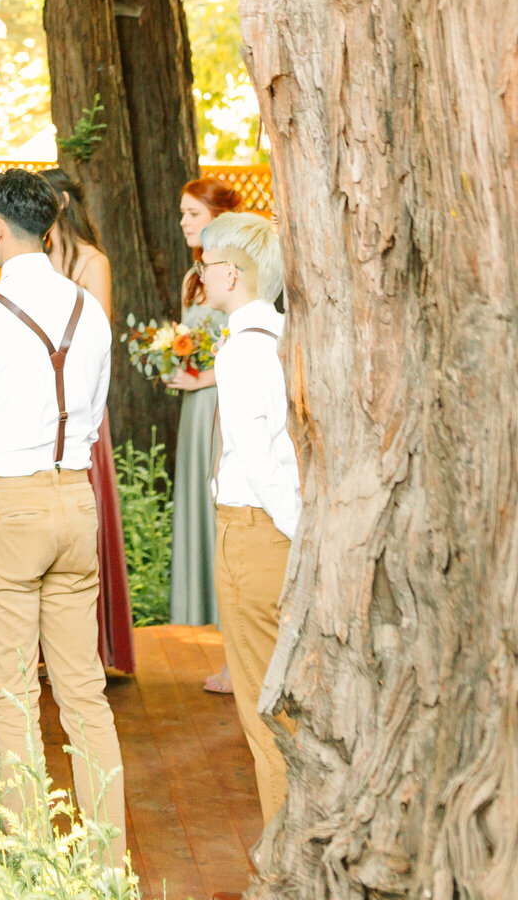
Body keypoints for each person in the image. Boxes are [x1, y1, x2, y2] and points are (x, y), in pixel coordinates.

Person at [0, 167, 125, 869]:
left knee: (12, 693)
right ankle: (108, 865)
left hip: (6, 501)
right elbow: (97, 410)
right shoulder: (89, 309)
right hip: (74, 496)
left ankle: (29, 865)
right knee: (84, 692)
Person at [199, 210, 299, 832]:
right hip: (279, 527)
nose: (201, 277)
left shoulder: (242, 352)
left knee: (265, 711)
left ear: (231, 272)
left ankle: (287, 860)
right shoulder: (286, 336)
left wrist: (292, 533)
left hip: (256, 528)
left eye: (206, 265)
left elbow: (261, 461)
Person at [42, 167, 136, 678]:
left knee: (86, 520)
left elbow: (96, 336)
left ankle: (93, 649)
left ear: (57, 203)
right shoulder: (33, 260)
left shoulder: (91, 262)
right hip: (36, 407)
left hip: (77, 408)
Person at [168, 178, 241, 683]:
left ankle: (241, 654)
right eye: (182, 214)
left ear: (218, 215)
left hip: (226, 399)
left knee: (229, 514)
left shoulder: (240, 270)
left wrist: (208, 376)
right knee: (201, 513)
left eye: (193, 213)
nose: (184, 223)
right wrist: (176, 362)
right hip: (196, 408)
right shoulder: (192, 280)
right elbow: (188, 340)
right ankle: (222, 645)